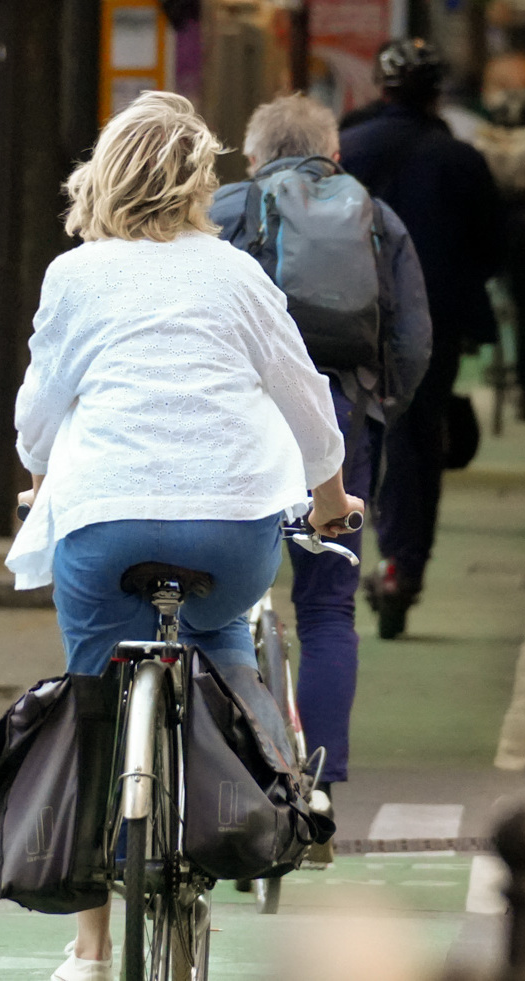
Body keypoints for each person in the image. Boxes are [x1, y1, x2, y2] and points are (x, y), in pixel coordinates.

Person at [5, 92, 364, 981]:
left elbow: (39, 413)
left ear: (103, 178)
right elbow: (304, 397)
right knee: (220, 635)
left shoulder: (74, 274)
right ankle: (272, 794)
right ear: (200, 181)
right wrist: (329, 496)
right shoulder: (235, 274)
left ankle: (89, 952)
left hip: (104, 521)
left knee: (91, 700)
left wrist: (41, 478)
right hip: (228, 526)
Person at [209, 94, 431, 837]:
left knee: (219, 599)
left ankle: (226, 773)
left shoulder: (226, 210)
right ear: (333, 155)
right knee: (329, 607)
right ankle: (322, 784)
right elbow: (412, 338)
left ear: (253, 158)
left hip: (243, 416)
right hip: (339, 418)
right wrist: (377, 407)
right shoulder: (377, 218)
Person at [340, 39, 505, 638]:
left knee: (348, 435)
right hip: (430, 325)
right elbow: (493, 247)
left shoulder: (345, 148)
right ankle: (401, 569)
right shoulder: (460, 159)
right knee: (416, 439)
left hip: (347, 316)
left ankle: (336, 559)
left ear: (380, 88)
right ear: (437, 94)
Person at [470, 84, 525, 421]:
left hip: (487, 232)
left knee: (480, 292)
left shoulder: (480, 148)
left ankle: (480, 343)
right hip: (524, 235)